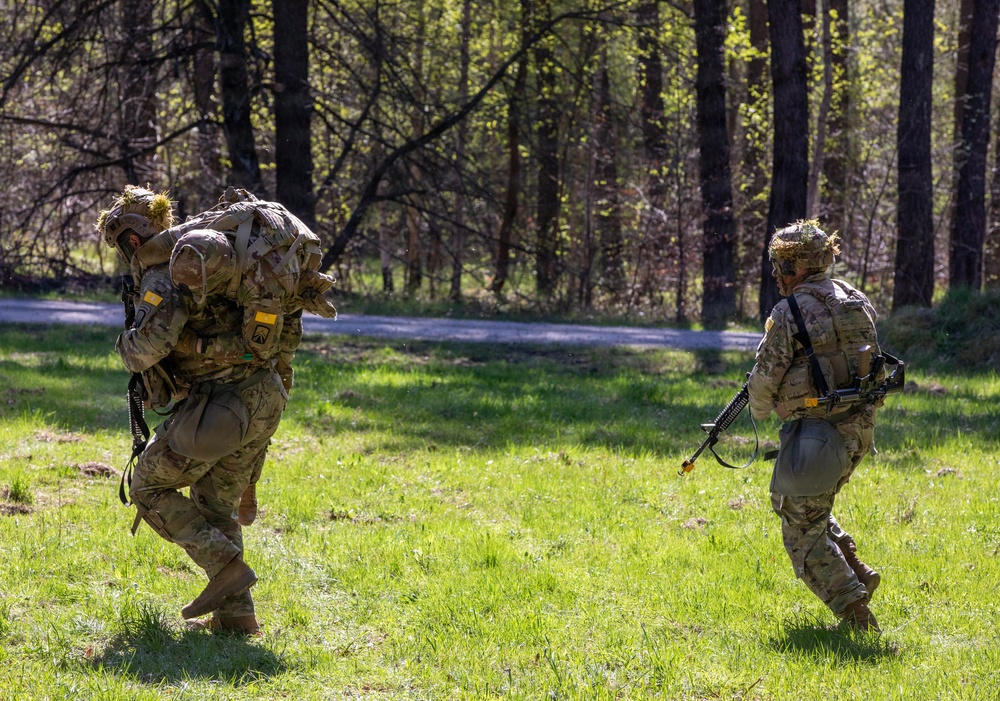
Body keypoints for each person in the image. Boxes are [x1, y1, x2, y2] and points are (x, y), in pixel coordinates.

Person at [97, 184, 326, 634]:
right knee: (216, 506)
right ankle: (237, 619)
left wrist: (124, 346)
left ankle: (225, 568)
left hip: (224, 406)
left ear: (132, 237)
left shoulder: (167, 272)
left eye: (121, 243)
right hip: (265, 397)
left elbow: (147, 347)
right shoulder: (206, 258)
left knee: (146, 487)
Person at [747, 220, 883, 632]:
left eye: (781, 265)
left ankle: (856, 613)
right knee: (796, 505)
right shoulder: (855, 299)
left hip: (818, 436)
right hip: (858, 430)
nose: (777, 274)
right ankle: (856, 569)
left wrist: (761, 408)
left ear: (798, 267)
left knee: (800, 532)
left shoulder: (789, 312)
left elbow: (764, 380)